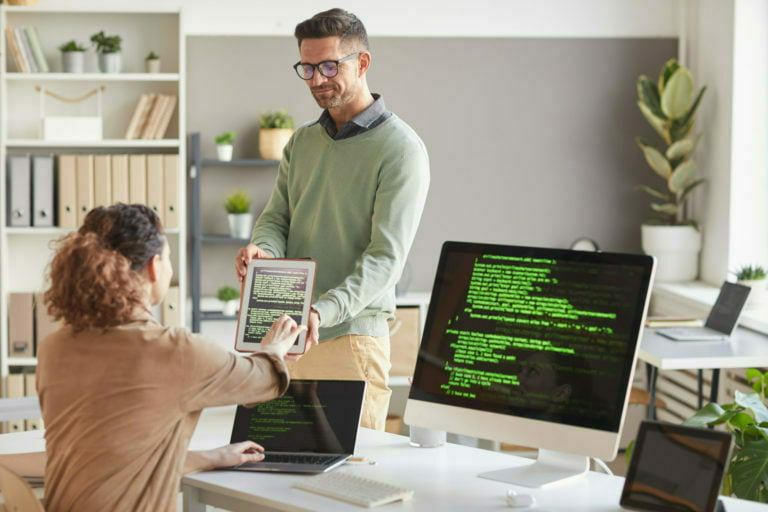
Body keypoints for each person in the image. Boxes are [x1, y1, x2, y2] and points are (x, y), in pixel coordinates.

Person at [5, 204, 305, 511]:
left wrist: (209, 457)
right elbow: (264, 379)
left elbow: (104, 455)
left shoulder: (55, 347)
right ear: (154, 266)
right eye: (169, 258)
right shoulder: (175, 350)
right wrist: (276, 347)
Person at [235, 8, 430, 430]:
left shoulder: (401, 150)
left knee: (350, 479)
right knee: (275, 468)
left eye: (328, 66)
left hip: (351, 338)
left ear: (362, 63)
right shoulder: (302, 141)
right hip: (286, 335)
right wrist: (262, 249)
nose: (317, 79)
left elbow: (385, 259)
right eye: (307, 68)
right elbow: (276, 219)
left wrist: (320, 312)